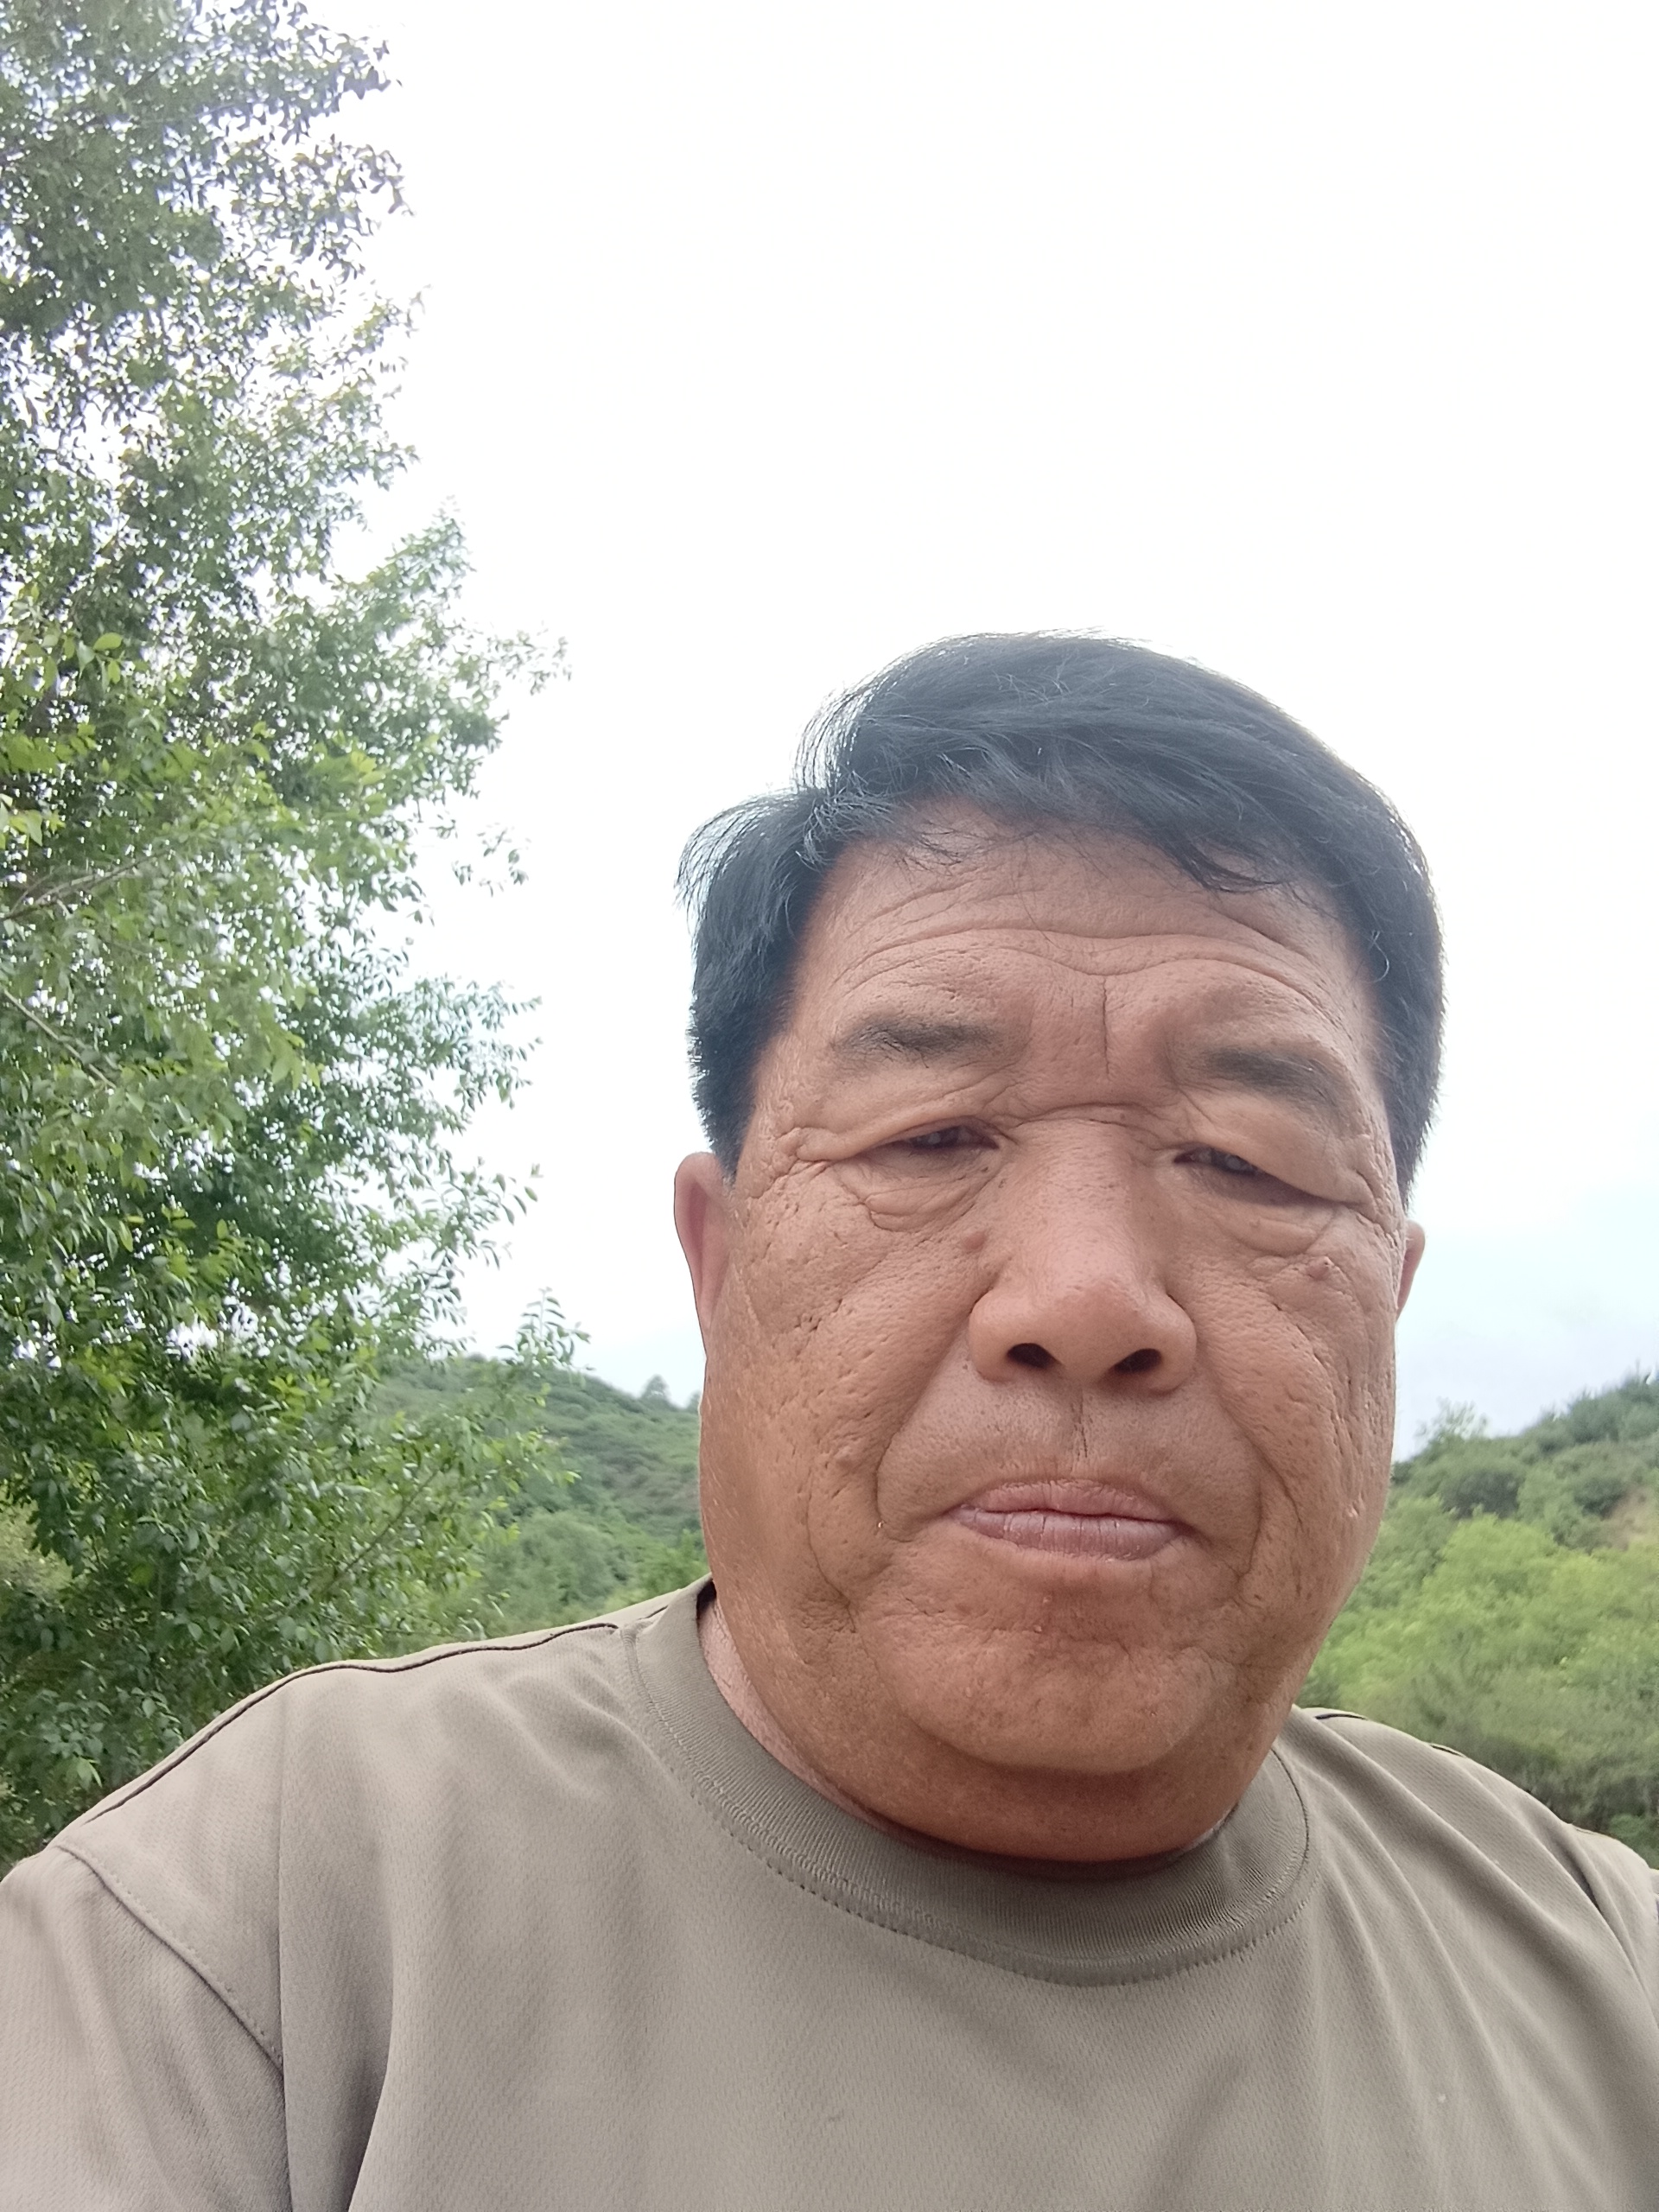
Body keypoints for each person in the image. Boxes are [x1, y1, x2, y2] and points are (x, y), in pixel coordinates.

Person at [2, 634, 1656, 2210]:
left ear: (1388, 1299)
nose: (1086, 1299)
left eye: (1246, 1163)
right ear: (719, 1265)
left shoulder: (1610, 1983)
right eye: (930, 1137)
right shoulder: (248, 1936)